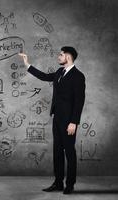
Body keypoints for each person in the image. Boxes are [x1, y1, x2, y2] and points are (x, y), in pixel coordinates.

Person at [18, 46, 85, 194]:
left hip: (69, 121)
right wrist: (26, 63)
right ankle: (58, 183)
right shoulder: (59, 72)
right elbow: (43, 76)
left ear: (68, 57)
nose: (58, 57)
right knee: (57, 152)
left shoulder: (78, 76)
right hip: (57, 118)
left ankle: (70, 184)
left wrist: (74, 122)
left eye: (61, 55)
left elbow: (79, 101)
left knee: (69, 152)